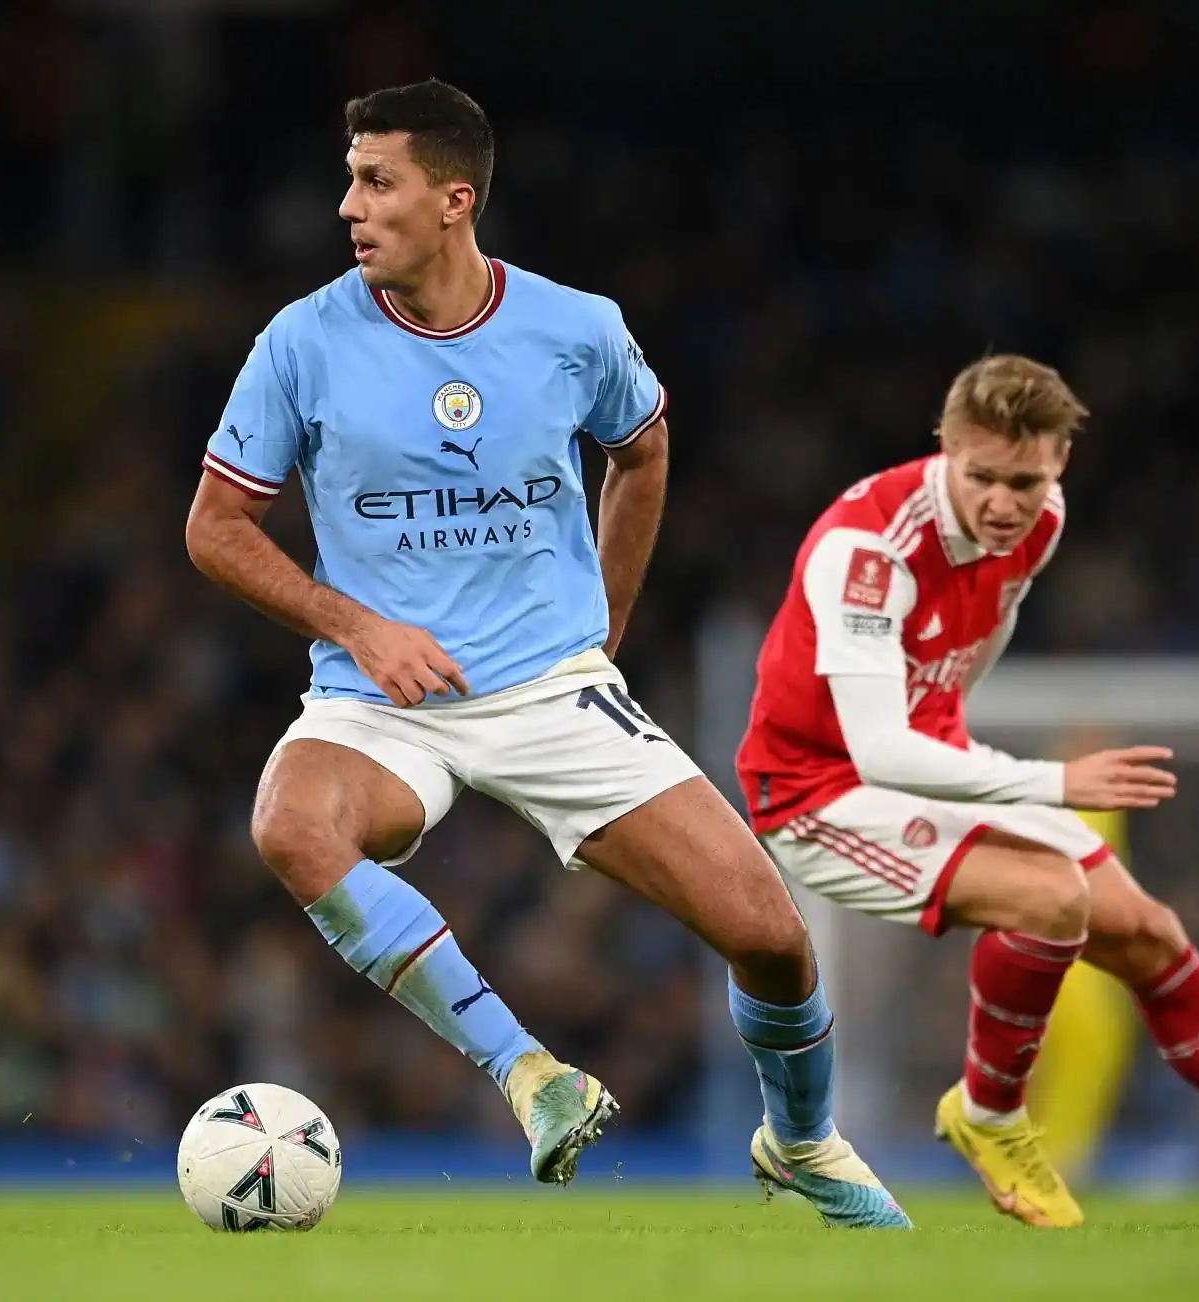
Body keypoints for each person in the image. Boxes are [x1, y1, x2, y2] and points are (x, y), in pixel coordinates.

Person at [183, 79, 908, 1227]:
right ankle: (531, 1074)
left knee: (771, 937)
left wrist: (604, 632)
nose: (347, 206)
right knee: (291, 821)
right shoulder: (303, 342)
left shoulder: (576, 329)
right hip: (380, 697)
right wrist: (358, 625)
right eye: (351, 178)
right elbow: (214, 529)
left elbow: (644, 449)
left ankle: (803, 1142)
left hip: (550, 689)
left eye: (377, 181)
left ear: (454, 199)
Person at [735, 353, 1199, 1227]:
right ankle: (989, 1116)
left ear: (1058, 463)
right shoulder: (869, 553)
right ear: (944, 447)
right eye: (982, 476)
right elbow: (879, 750)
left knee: (1148, 932)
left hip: (923, 765)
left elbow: (971, 654)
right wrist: (1053, 783)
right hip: (817, 793)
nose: (1003, 502)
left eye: (1024, 480)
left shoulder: (1041, 522)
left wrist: (971, 760)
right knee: (1052, 899)